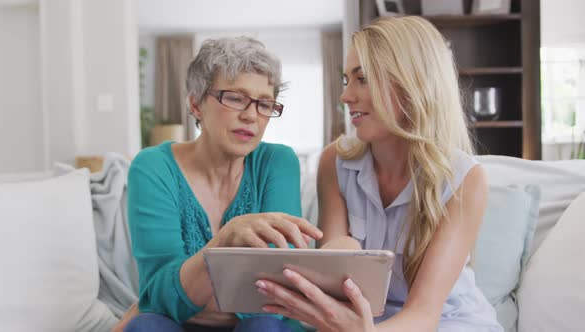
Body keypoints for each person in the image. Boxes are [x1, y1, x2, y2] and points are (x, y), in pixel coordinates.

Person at [253, 16, 504, 332]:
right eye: (346, 81)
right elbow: (334, 280)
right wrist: (333, 259)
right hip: (360, 320)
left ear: (412, 82)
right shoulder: (335, 162)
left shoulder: (465, 179)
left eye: (363, 79)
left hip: (445, 323)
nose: (346, 97)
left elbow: (424, 315)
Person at [117, 36, 322, 332]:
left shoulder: (278, 162)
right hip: (176, 326)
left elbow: (278, 291)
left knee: (263, 327)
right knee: (146, 327)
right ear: (196, 104)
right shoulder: (153, 167)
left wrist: (186, 290)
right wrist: (226, 239)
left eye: (264, 103)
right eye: (235, 98)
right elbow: (160, 300)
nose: (251, 115)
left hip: (261, 323)